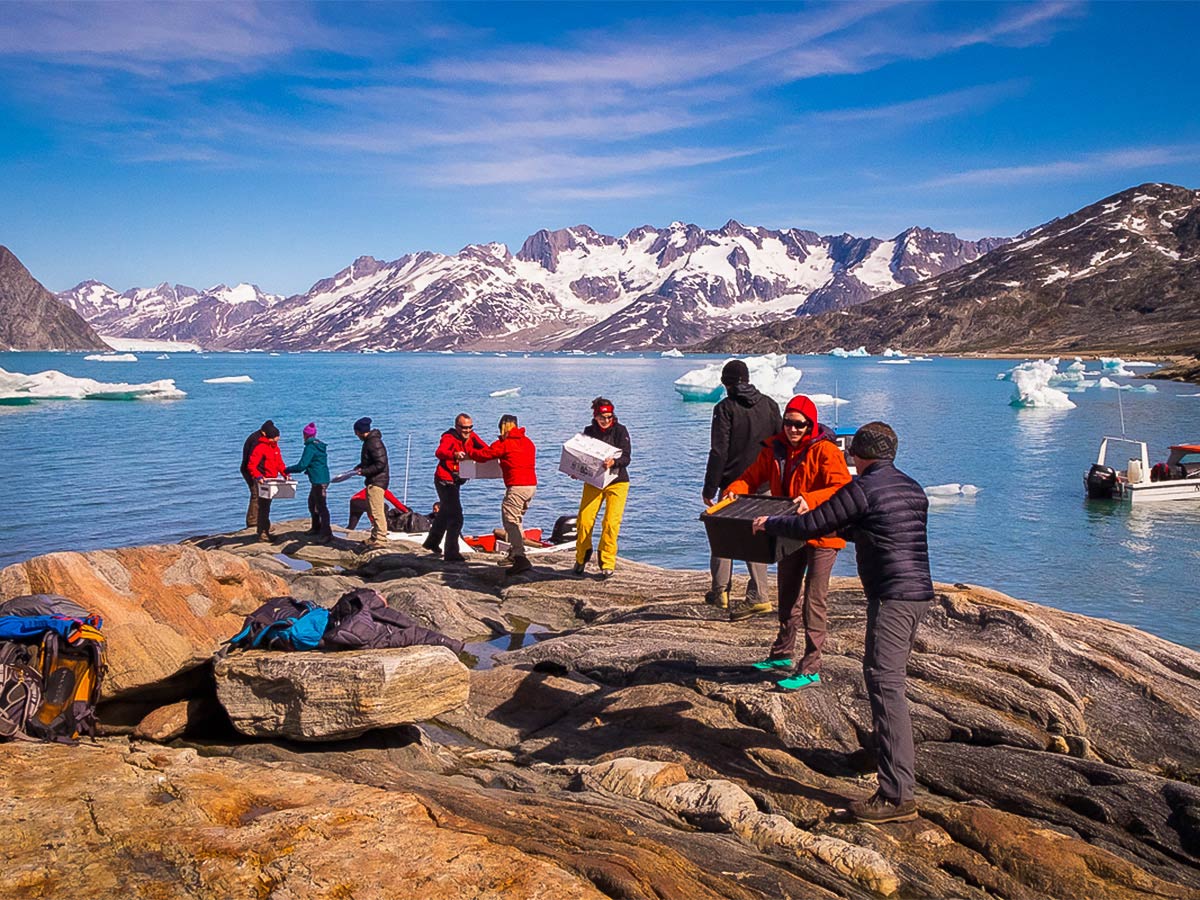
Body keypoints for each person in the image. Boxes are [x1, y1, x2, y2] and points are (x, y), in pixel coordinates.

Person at [752, 422, 934, 824]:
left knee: (885, 686)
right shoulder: (911, 487)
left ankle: (897, 795)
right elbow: (871, 527)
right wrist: (840, 524)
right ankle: (880, 754)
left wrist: (771, 522)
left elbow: (808, 526)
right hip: (919, 594)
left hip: (892, 598)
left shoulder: (864, 487)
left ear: (857, 455)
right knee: (887, 681)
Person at [724, 395, 851, 683]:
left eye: (799, 425)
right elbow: (751, 478)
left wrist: (811, 499)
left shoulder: (826, 451)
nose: (793, 430)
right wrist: (734, 489)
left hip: (823, 532)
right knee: (788, 595)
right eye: (788, 423)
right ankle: (782, 652)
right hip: (790, 531)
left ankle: (810, 666)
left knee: (814, 601)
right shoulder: (774, 449)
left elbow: (842, 487)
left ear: (811, 425)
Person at [702, 359, 782, 611]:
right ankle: (760, 594)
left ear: (726, 383)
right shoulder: (769, 404)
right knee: (757, 536)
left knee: (722, 535)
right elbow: (780, 443)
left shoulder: (725, 408)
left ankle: (720, 591)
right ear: (747, 379)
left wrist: (710, 487)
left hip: (734, 484)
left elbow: (719, 450)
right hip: (765, 483)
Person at [469, 414, 537, 576]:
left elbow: (484, 455)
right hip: (531, 486)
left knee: (510, 521)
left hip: (517, 486)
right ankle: (515, 552)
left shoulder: (506, 444)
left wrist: (468, 452)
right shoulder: (528, 442)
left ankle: (520, 558)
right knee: (517, 519)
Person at [574, 397, 631, 579]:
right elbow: (581, 456)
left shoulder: (621, 431)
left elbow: (627, 457)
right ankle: (582, 556)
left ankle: (606, 562)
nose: (606, 421)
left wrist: (614, 462)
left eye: (609, 417)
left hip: (617, 482)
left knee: (611, 523)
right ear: (595, 416)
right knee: (584, 521)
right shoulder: (588, 432)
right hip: (594, 482)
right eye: (602, 417)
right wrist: (575, 470)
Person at [424, 413, 488, 563]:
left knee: (445, 513)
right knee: (456, 517)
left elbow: (485, 449)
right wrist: (454, 454)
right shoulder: (448, 437)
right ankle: (451, 553)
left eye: (470, 427)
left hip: (456, 480)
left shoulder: (473, 437)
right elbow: (439, 452)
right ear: (457, 427)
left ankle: (431, 542)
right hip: (445, 481)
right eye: (464, 428)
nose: (468, 430)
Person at [286, 422, 332, 543]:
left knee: (321, 506)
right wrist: (310, 469)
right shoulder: (319, 445)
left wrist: (287, 469)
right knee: (312, 503)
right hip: (323, 478)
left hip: (319, 481)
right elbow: (317, 462)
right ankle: (316, 527)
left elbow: (302, 465)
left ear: (305, 435)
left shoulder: (310, 447)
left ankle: (326, 533)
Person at [352, 417, 389, 549]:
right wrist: (360, 466)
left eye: (356, 433)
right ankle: (374, 536)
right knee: (372, 508)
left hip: (377, 481)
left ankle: (381, 538)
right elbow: (371, 461)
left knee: (376, 509)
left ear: (361, 431)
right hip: (374, 480)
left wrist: (364, 471)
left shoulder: (373, 442)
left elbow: (380, 463)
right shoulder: (370, 442)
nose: (356, 436)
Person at [246, 422, 286, 543]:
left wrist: (286, 474)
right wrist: (258, 476)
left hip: (272, 480)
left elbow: (279, 463)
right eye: (277, 436)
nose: (279, 438)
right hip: (263, 480)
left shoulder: (275, 447)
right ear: (271, 436)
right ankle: (263, 533)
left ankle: (264, 531)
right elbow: (251, 465)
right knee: (263, 506)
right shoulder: (260, 447)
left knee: (266, 506)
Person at [240, 420, 274, 529]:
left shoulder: (262, 438)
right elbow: (253, 461)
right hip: (251, 471)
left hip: (259, 471)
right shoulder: (256, 440)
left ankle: (261, 521)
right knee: (256, 494)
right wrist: (259, 475)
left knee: (262, 495)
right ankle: (253, 522)